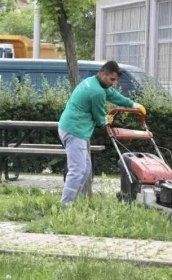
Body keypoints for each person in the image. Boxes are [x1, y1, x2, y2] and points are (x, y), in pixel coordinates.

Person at [58, 60, 146, 207]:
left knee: (85, 170)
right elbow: (100, 118)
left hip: (72, 128)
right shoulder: (97, 92)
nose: (114, 83)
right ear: (103, 74)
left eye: (116, 80)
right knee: (77, 171)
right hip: (74, 131)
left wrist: (133, 105)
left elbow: (113, 95)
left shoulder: (94, 82)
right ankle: (65, 206)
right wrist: (107, 119)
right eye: (112, 79)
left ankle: (72, 203)